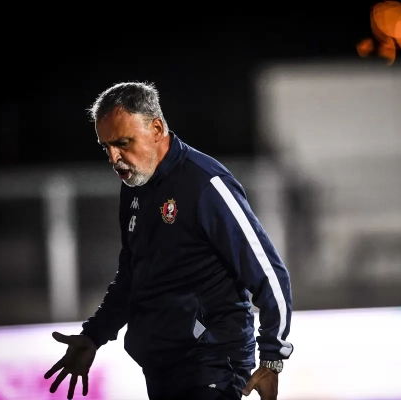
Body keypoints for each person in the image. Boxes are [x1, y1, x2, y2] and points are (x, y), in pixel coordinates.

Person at [43, 82, 294, 400]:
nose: (114, 157)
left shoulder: (206, 184)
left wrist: (272, 357)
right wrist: (94, 335)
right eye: (106, 147)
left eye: (122, 143)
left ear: (157, 129)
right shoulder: (135, 186)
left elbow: (269, 273)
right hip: (161, 368)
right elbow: (133, 277)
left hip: (213, 367)